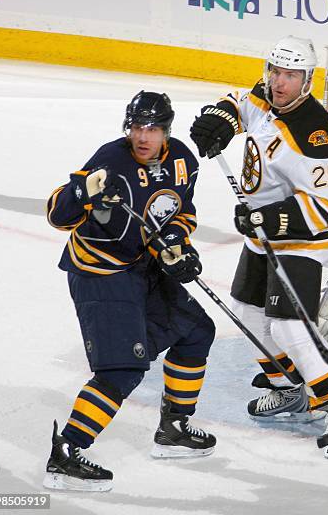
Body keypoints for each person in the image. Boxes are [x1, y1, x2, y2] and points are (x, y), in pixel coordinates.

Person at [189, 36, 328, 458]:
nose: (279, 83)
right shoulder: (265, 95)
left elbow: (326, 208)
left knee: (288, 326)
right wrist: (221, 117)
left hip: (302, 240)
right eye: (275, 72)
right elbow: (239, 101)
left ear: (307, 81)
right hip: (262, 235)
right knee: (249, 313)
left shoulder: (316, 136)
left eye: (290, 75)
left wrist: (267, 217)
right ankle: (287, 386)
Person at [44, 91, 217, 492]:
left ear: (166, 131)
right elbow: (57, 214)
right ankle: (66, 452)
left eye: (152, 128)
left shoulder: (183, 161)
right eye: (137, 127)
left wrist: (176, 246)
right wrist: (81, 193)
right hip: (100, 274)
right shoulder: (111, 159)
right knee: (121, 368)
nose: (143, 136)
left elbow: (180, 212)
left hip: (142, 266)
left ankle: (174, 427)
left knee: (195, 331)